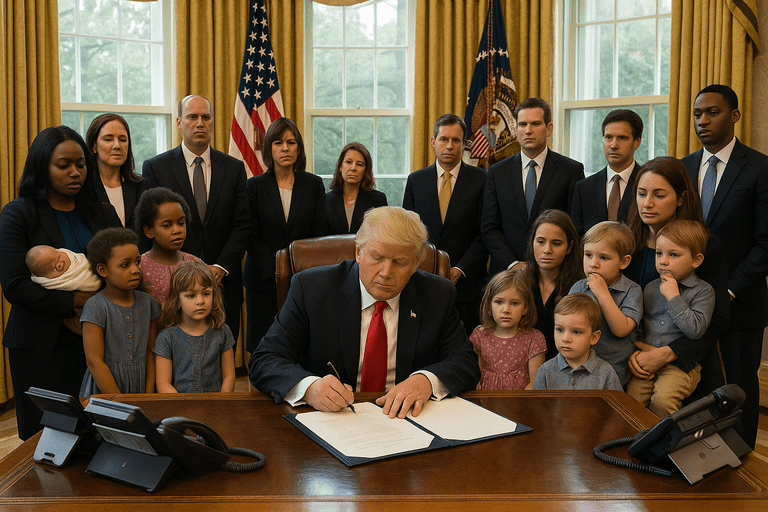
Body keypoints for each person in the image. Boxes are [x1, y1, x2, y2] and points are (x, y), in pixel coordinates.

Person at [249, 206, 480, 419]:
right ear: (359, 252)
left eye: (399, 262)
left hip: (406, 418)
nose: (385, 272)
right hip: (332, 419)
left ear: (415, 263)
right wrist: (309, 388)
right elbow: (265, 359)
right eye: (377, 258)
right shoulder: (311, 289)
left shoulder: (438, 294)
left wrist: (426, 381)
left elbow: (465, 363)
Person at [0, 125, 120, 440]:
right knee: (46, 440)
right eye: (63, 165)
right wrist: (76, 303)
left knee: (99, 435)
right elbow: (14, 285)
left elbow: (123, 266)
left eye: (81, 164)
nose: (75, 172)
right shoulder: (18, 213)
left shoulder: (103, 213)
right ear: (43, 166)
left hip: (100, 340)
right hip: (41, 346)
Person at [680, 84, 768, 448]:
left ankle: (742, 455)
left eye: (712, 113)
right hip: (687, 303)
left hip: (740, 302)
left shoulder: (760, 167)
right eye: (697, 114)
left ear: (734, 116)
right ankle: (698, 451)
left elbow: (765, 242)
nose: (702, 121)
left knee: (738, 383)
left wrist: (728, 290)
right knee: (696, 384)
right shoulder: (683, 167)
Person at [624, 157, 730, 407]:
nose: (647, 203)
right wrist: (629, 352)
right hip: (633, 357)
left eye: (659, 195)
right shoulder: (627, 242)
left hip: (685, 362)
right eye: (641, 194)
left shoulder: (704, 245)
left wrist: (668, 354)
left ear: (681, 198)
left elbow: (718, 319)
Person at [142, 94, 249, 340]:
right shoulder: (156, 168)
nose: (200, 123)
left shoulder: (234, 168)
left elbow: (242, 224)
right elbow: (151, 226)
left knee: (223, 353)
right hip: (173, 288)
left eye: (206, 117)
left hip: (223, 284)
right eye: (192, 117)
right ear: (179, 122)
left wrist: (220, 266)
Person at [244, 118, 327, 353]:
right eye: (278, 142)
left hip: (304, 278)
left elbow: (320, 233)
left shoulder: (313, 185)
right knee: (263, 344)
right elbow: (250, 234)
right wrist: (277, 270)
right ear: (269, 148)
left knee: (299, 344)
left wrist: (297, 270)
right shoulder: (254, 186)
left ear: (298, 148)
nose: (285, 148)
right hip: (263, 279)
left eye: (291, 142)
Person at [403, 114, 488, 336]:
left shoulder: (482, 180)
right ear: (433, 143)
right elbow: (408, 233)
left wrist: (460, 269)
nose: (449, 146)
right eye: (444, 139)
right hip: (423, 283)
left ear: (464, 144)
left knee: (466, 346)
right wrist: (429, 268)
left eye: (456, 140)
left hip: (468, 286)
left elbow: (485, 232)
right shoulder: (416, 181)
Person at [482, 97, 584, 276]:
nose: (528, 130)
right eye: (522, 124)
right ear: (516, 129)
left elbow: (575, 226)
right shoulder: (497, 172)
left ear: (549, 128)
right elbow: (489, 227)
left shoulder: (571, 170)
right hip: (507, 273)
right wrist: (513, 263)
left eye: (535, 124)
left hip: (555, 273)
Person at [627, 220, 714, 417]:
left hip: (680, 367)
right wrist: (633, 352)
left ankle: (666, 438)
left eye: (673, 255)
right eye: (659, 253)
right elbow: (639, 326)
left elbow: (695, 330)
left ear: (696, 260)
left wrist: (673, 297)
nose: (663, 261)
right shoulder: (650, 288)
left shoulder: (703, 291)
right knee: (631, 402)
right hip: (647, 361)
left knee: (663, 402)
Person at [79, 228, 160, 397]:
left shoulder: (148, 303)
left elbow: (150, 352)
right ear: (103, 270)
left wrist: (148, 396)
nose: (135, 269)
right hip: (106, 393)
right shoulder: (96, 306)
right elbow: (94, 362)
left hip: (141, 387)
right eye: (125, 265)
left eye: (137, 262)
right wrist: (120, 402)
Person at [568, 221, 642, 386]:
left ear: (624, 262)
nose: (593, 263)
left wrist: (602, 293)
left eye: (603, 257)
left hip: (613, 369)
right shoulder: (578, 288)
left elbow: (621, 329)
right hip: (578, 364)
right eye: (588, 255)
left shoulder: (632, 290)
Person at [154, 262, 236, 393]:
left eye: (206, 293)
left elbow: (229, 376)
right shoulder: (166, 338)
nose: (200, 301)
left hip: (216, 403)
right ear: (177, 300)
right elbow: (163, 384)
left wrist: (221, 401)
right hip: (178, 404)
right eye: (191, 295)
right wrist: (183, 404)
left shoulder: (223, 332)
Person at [522, 209, 584, 360]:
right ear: (532, 242)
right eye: (540, 242)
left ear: (569, 247)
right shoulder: (520, 283)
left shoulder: (580, 287)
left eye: (556, 243)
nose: (547, 250)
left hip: (566, 365)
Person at [571, 109, 644, 235]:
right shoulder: (584, 188)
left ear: (637, 142)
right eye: (608, 137)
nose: (613, 145)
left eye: (622, 138)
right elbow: (577, 236)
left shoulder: (647, 183)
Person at [470, 270, 545, 390]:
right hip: (484, 399)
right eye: (499, 302)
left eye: (514, 303)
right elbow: (476, 376)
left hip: (521, 400)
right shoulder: (480, 335)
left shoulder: (534, 338)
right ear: (489, 306)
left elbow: (535, 383)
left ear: (525, 308)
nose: (506, 310)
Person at [532, 293, 622, 391]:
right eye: (560, 330)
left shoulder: (606, 373)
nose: (565, 338)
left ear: (594, 337)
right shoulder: (545, 371)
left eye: (576, 332)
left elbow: (616, 401)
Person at [133, 187, 201, 305]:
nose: (177, 230)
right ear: (149, 230)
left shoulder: (197, 264)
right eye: (167, 225)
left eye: (181, 223)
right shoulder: (138, 269)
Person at [85, 113, 144, 228]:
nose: (117, 145)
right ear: (94, 146)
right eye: (108, 139)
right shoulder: (84, 187)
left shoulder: (141, 185)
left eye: (122, 140)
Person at [326, 142, 387, 234]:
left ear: (366, 170)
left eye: (359, 164)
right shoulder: (325, 200)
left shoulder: (378, 199)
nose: (353, 168)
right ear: (340, 167)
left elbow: (383, 235)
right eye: (348, 162)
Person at [26, 245, 101, 291]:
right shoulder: (57, 283)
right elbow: (94, 283)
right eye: (58, 265)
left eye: (60, 255)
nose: (62, 260)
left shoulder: (64, 253)